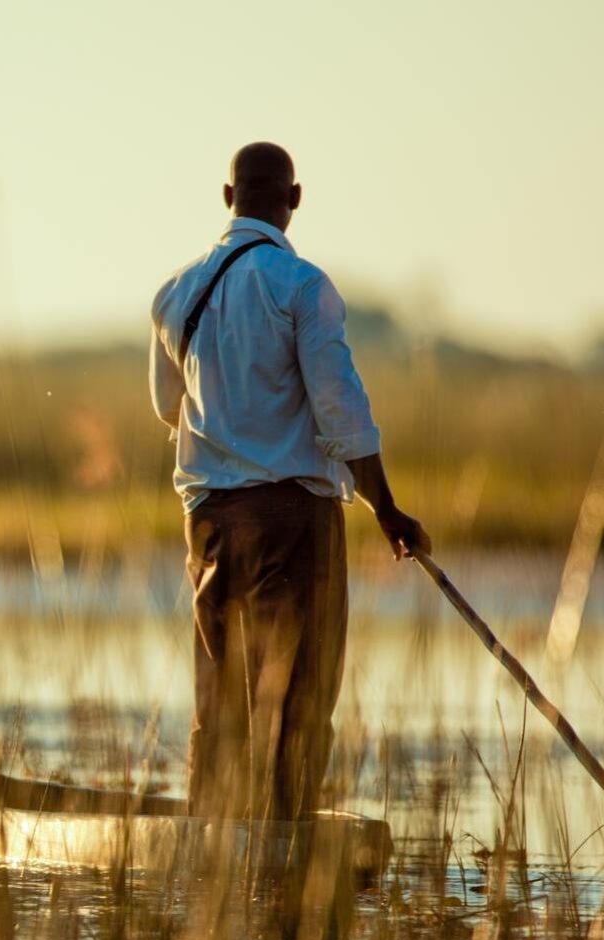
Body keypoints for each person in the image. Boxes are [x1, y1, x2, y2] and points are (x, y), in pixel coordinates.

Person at [149, 142, 430, 821]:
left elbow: (167, 408)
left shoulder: (175, 292)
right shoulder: (303, 286)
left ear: (228, 197)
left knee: (222, 693)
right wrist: (387, 509)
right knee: (299, 693)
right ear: (294, 199)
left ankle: (215, 844)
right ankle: (283, 843)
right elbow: (342, 412)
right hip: (292, 522)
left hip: (210, 524)